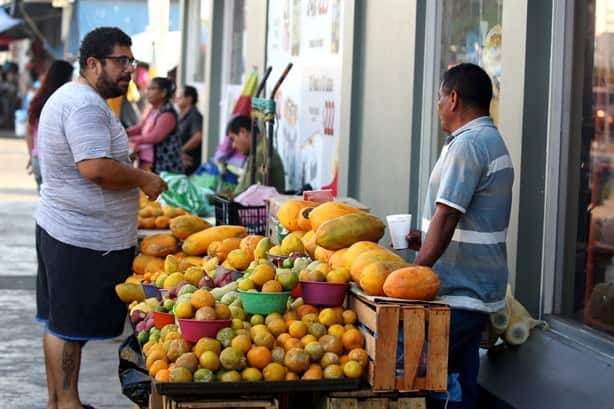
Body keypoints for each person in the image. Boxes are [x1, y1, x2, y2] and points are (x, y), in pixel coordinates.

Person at [35, 27, 167, 409]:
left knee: (58, 323)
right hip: (81, 237)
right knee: (68, 327)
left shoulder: (77, 98)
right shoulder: (85, 106)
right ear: (93, 64)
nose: (128, 69)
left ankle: (60, 402)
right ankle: (68, 403)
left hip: (68, 230)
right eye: (119, 61)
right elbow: (93, 167)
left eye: (131, 60)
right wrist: (143, 178)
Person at [406, 63, 513, 409]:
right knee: (461, 379)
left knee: (435, 380)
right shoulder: (484, 140)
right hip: (472, 292)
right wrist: (423, 238)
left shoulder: (470, 145)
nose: (437, 107)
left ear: (453, 98)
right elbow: (458, 218)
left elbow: (448, 214)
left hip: (461, 294)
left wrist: (416, 272)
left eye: (439, 98)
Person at [25, 60, 74, 192]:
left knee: (44, 204)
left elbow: (29, 131)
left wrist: (31, 156)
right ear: (66, 78)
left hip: (38, 159)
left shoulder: (37, 100)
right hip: (55, 162)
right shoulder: (66, 102)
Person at [127, 77, 184, 174]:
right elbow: (140, 127)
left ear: (163, 93)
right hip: (147, 162)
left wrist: (131, 139)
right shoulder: (153, 110)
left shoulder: (167, 114)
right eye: (148, 88)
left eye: (152, 89)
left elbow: (155, 137)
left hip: (164, 168)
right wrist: (122, 132)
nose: (147, 92)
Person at [226, 115, 285, 195]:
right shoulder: (259, 150)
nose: (233, 145)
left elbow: (247, 195)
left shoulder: (260, 154)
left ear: (243, 132)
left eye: (233, 139)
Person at [175, 85, 203, 174]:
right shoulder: (181, 115)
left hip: (190, 163)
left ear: (189, 99)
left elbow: (198, 137)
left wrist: (181, 150)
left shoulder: (194, 116)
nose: (177, 99)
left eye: (180, 96)